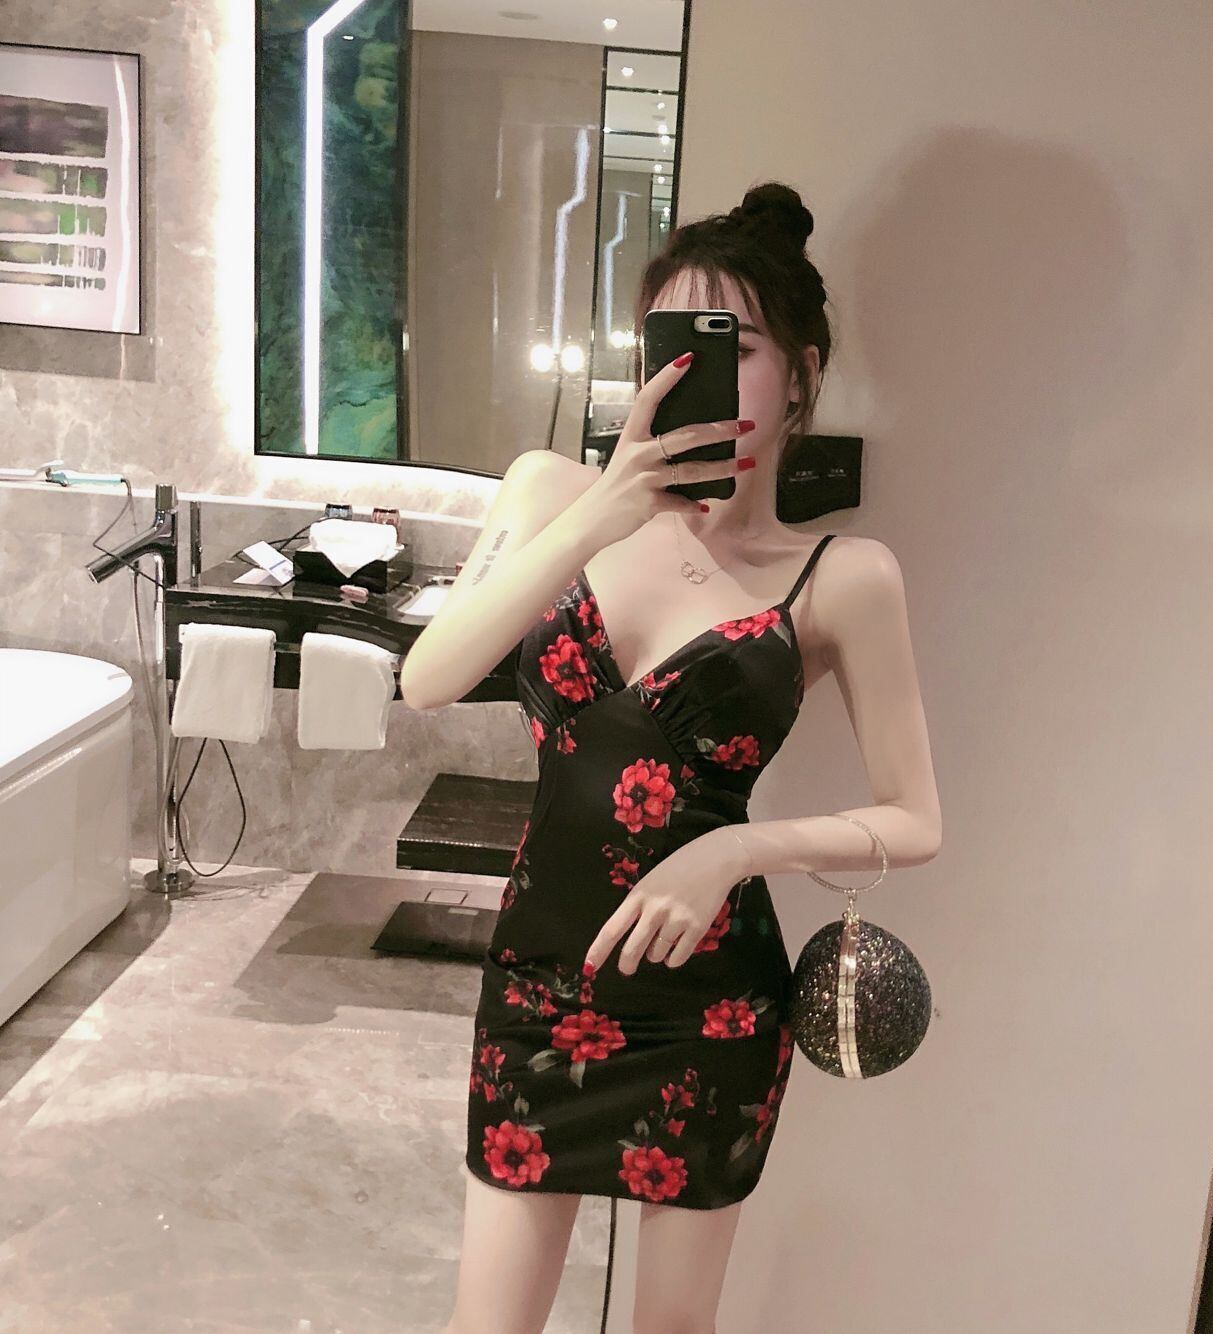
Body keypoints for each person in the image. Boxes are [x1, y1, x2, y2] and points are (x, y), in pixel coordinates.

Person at [402, 181, 942, 1334]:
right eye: (671, 343)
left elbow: (914, 817)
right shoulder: (551, 492)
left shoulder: (841, 576)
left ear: (798, 374)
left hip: (710, 1003)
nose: (696, 373)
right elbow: (429, 675)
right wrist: (600, 512)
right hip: (538, 984)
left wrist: (733, 850)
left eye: (733, 346)